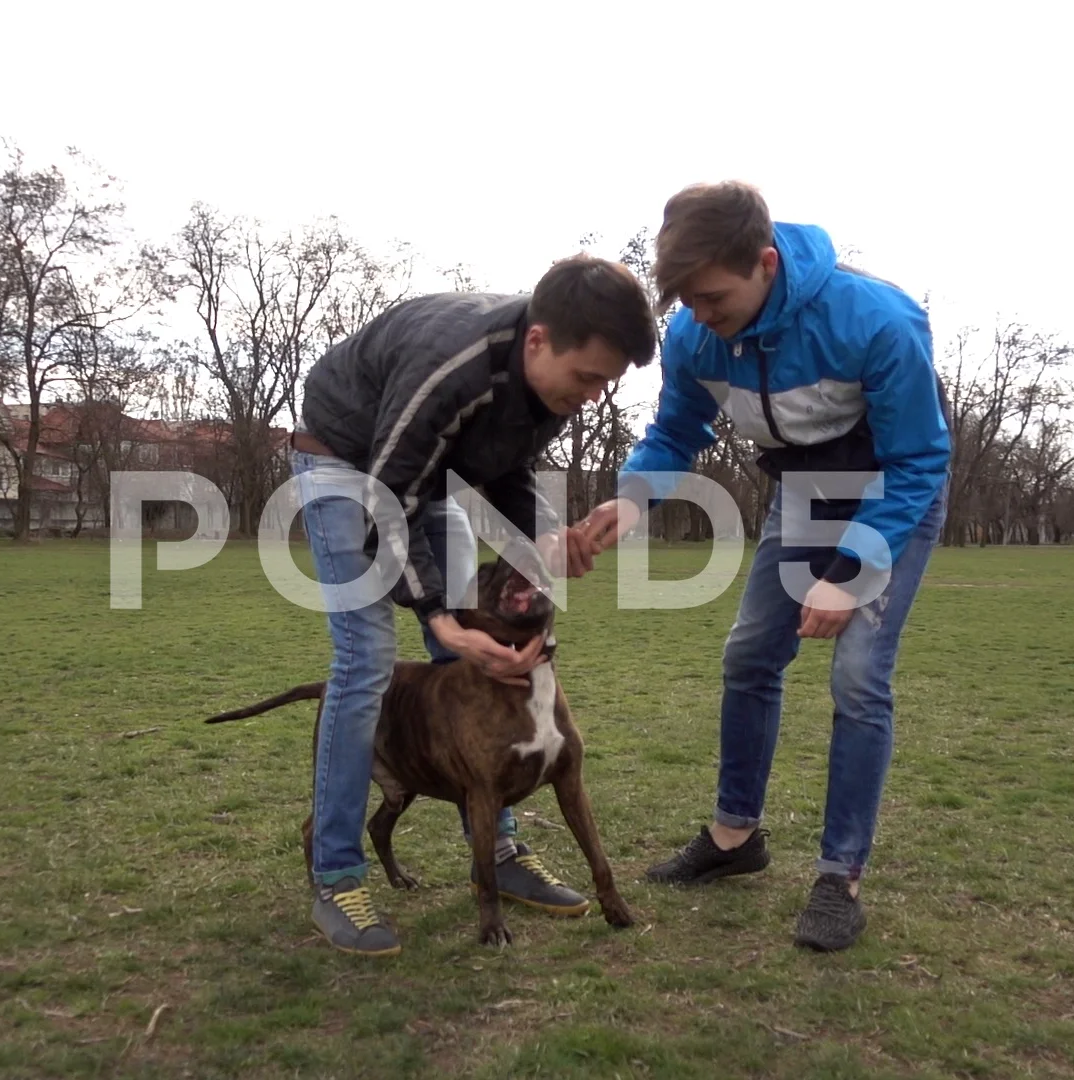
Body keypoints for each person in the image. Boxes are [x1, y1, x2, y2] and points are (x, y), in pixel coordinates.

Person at [581, 181, 951, 952]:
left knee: (857, 676)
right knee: (751, 653)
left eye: (713, 296)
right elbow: (676, 427)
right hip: (804, 492)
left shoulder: (875, 320)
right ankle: (733, 837)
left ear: (766, 263)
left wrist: (849, 573)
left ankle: (839, 877)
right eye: (685, 299)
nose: (701, 316)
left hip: (893, 491)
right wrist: (635, 497)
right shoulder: (694, 337)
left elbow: (919, 459)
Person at [291, 254, 657, 956]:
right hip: (346, 461)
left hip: (419, 476)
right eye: (587, 379)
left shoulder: (546, 389)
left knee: (465, 639)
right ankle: (336, 874)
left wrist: (542, 540)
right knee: (368, 660)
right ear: (538, 341)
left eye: (605, 386)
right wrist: (438, 616)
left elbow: (504, 469)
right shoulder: (451, 368)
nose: (591, 397)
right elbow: (384, 505)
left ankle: (499, 852)